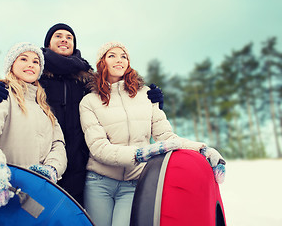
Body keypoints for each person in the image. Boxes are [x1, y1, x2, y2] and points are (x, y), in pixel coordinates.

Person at [0, 23, 164, 206]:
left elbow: (114, 103)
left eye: (69, 37)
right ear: (47, 44)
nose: (64, 39)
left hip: (79, 165)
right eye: (58, 36)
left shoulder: (88, 79)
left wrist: (146, 99)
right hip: (34, 165)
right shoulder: (35, 77)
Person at [79, 41, 226, 226]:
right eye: (112, 56)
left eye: (123, 56)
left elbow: (166, 137)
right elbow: (98, 148)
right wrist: (139, 154)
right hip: (99, 182)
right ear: (102, 63)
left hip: (133, 183)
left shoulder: (146, 95)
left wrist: (202, 149)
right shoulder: (89, 102)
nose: (119, 60)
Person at [0, 42, 67, 212]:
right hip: (1, 187)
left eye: (36, 62)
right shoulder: (1, 94)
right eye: (24, 59)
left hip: (34, 195)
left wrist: (51, 169)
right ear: (12, 65)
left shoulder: (45, 108)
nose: (30, 64)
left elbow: (58, 145)